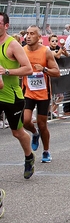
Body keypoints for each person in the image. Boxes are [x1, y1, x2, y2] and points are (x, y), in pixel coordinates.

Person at [0, 12, 35, 178]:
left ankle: (29, 157)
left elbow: (28, 69)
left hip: (11, 96)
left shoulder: (12, 45)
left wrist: (6, 71)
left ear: (6, 26)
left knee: (17, 132)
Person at [22, 25, 61, 163]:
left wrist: (44, 69)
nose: (28, 36)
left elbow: (57, 72)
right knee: (25, 121)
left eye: (32, 34)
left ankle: (46, 151)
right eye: (27, 33)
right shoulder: (22, 51)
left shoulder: (46, 52)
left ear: (39, 37)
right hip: (28, 92)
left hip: (43, 94)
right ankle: (34, 133)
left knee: (42, 123)